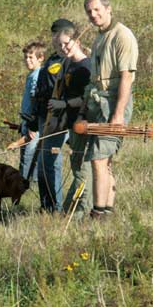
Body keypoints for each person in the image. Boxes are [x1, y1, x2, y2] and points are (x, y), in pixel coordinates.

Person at [83, 0, 138, 219]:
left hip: (114, 102)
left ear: (108, 9)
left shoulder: (122, 35)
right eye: (89, 12)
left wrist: (117, 115)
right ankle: (107, 212)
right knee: (104, 160)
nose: (93, 15)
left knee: (98, 158)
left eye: (97, 10)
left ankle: (98, 213)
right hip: (98, 101)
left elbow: (126, 77)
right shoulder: (99, 38)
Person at [31, 18, 75, 213]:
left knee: (52, 163)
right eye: (54, 37)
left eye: (61, 37)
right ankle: (46, 205)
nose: (57, 41)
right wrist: (33, 118)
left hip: (61, 119)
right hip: (44, 117)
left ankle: (57, 207)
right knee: (44, 164)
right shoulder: (51, 60)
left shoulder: (74, 60)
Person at [50, 26, 93, 220]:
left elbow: (86, 98)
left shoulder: (86, 66)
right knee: (76, 167)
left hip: (82, 123)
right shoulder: (67, 64)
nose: (64, 48)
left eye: (67, 43)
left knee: (82, 171)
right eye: (60, 45)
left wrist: (63, 104)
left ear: (77, 41)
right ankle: (68, 212)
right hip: (70, 123)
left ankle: (80, 212)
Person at [18, 41, 46, 181]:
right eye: (26, 57)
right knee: (27, 155)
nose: (27, 60)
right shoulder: (32, 75)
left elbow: (36, 100)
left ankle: (25, 185)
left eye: (31, 57)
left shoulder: (37, 76)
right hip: (27, 122)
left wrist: (32, 124)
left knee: (29, 156)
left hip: (32, 124)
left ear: (40, 57)